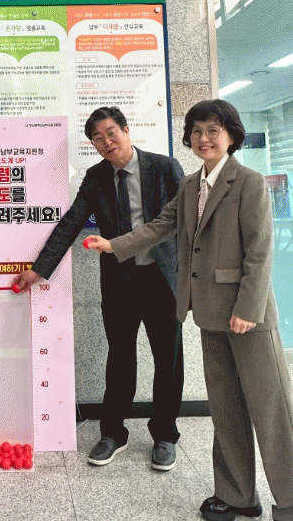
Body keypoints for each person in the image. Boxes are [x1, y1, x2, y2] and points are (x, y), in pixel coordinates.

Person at [89, 99, 293, 521]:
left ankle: (289, 502)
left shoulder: (249, 181)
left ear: (231, 135)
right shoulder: (190, 185)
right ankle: (237, 496)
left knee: (271, 412)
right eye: (196, 131)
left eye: (213, 130)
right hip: (210, 314)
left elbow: (260, 251)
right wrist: (114, 245)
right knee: (226, 409)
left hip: (248, 317)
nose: (203, 138)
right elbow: (161, 226)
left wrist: (248, 307)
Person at [12, 106, 184, 471]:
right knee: (119, 358)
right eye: (97, 138)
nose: (106, 142)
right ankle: (113, 433)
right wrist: (39, 269)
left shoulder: (164, 168)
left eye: (111, 133)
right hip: (120, 283)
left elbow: (185, 223)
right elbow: (71, 223)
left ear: (126, 130)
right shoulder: (96, 177)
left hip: (162, 279)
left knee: (168, 360)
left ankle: (165, 435)